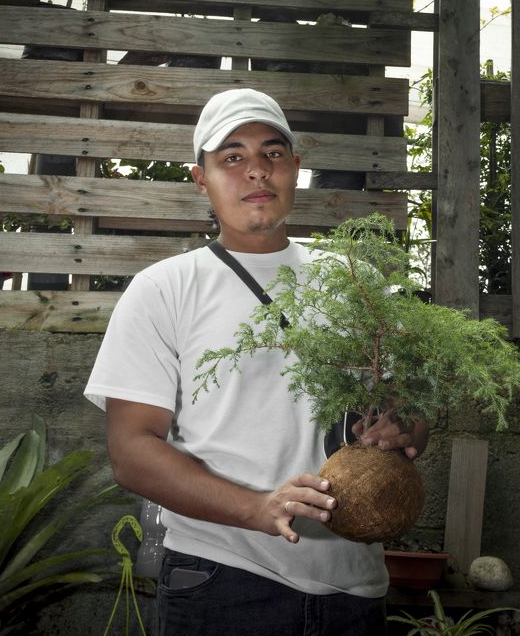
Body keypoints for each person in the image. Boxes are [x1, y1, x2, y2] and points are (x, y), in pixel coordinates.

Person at [85, 88, 429, 635]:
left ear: (295, 168)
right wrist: (255, 508)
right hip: (222, 582)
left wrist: (402, 428)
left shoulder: (357, 283)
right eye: (232, 157)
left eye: (272, 154)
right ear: (201, 179)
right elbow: (131, 452)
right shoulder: (165, 290)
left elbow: (412, 414)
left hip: (356, 586)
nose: (256, 172)